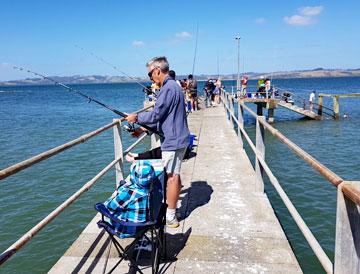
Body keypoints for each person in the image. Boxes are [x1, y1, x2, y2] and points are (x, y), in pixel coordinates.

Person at [125, 56, 190, 228]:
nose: (150, 78)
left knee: (172, 177)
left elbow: (156, 114)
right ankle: (174, 198)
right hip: (177, 138)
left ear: (157, 70)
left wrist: (136, 117)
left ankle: (171, 215)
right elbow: (165, 118)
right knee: (173, 173)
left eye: (150, 74)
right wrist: (143, 130)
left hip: (174, 141)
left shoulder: (168, 88)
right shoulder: (172, 86)